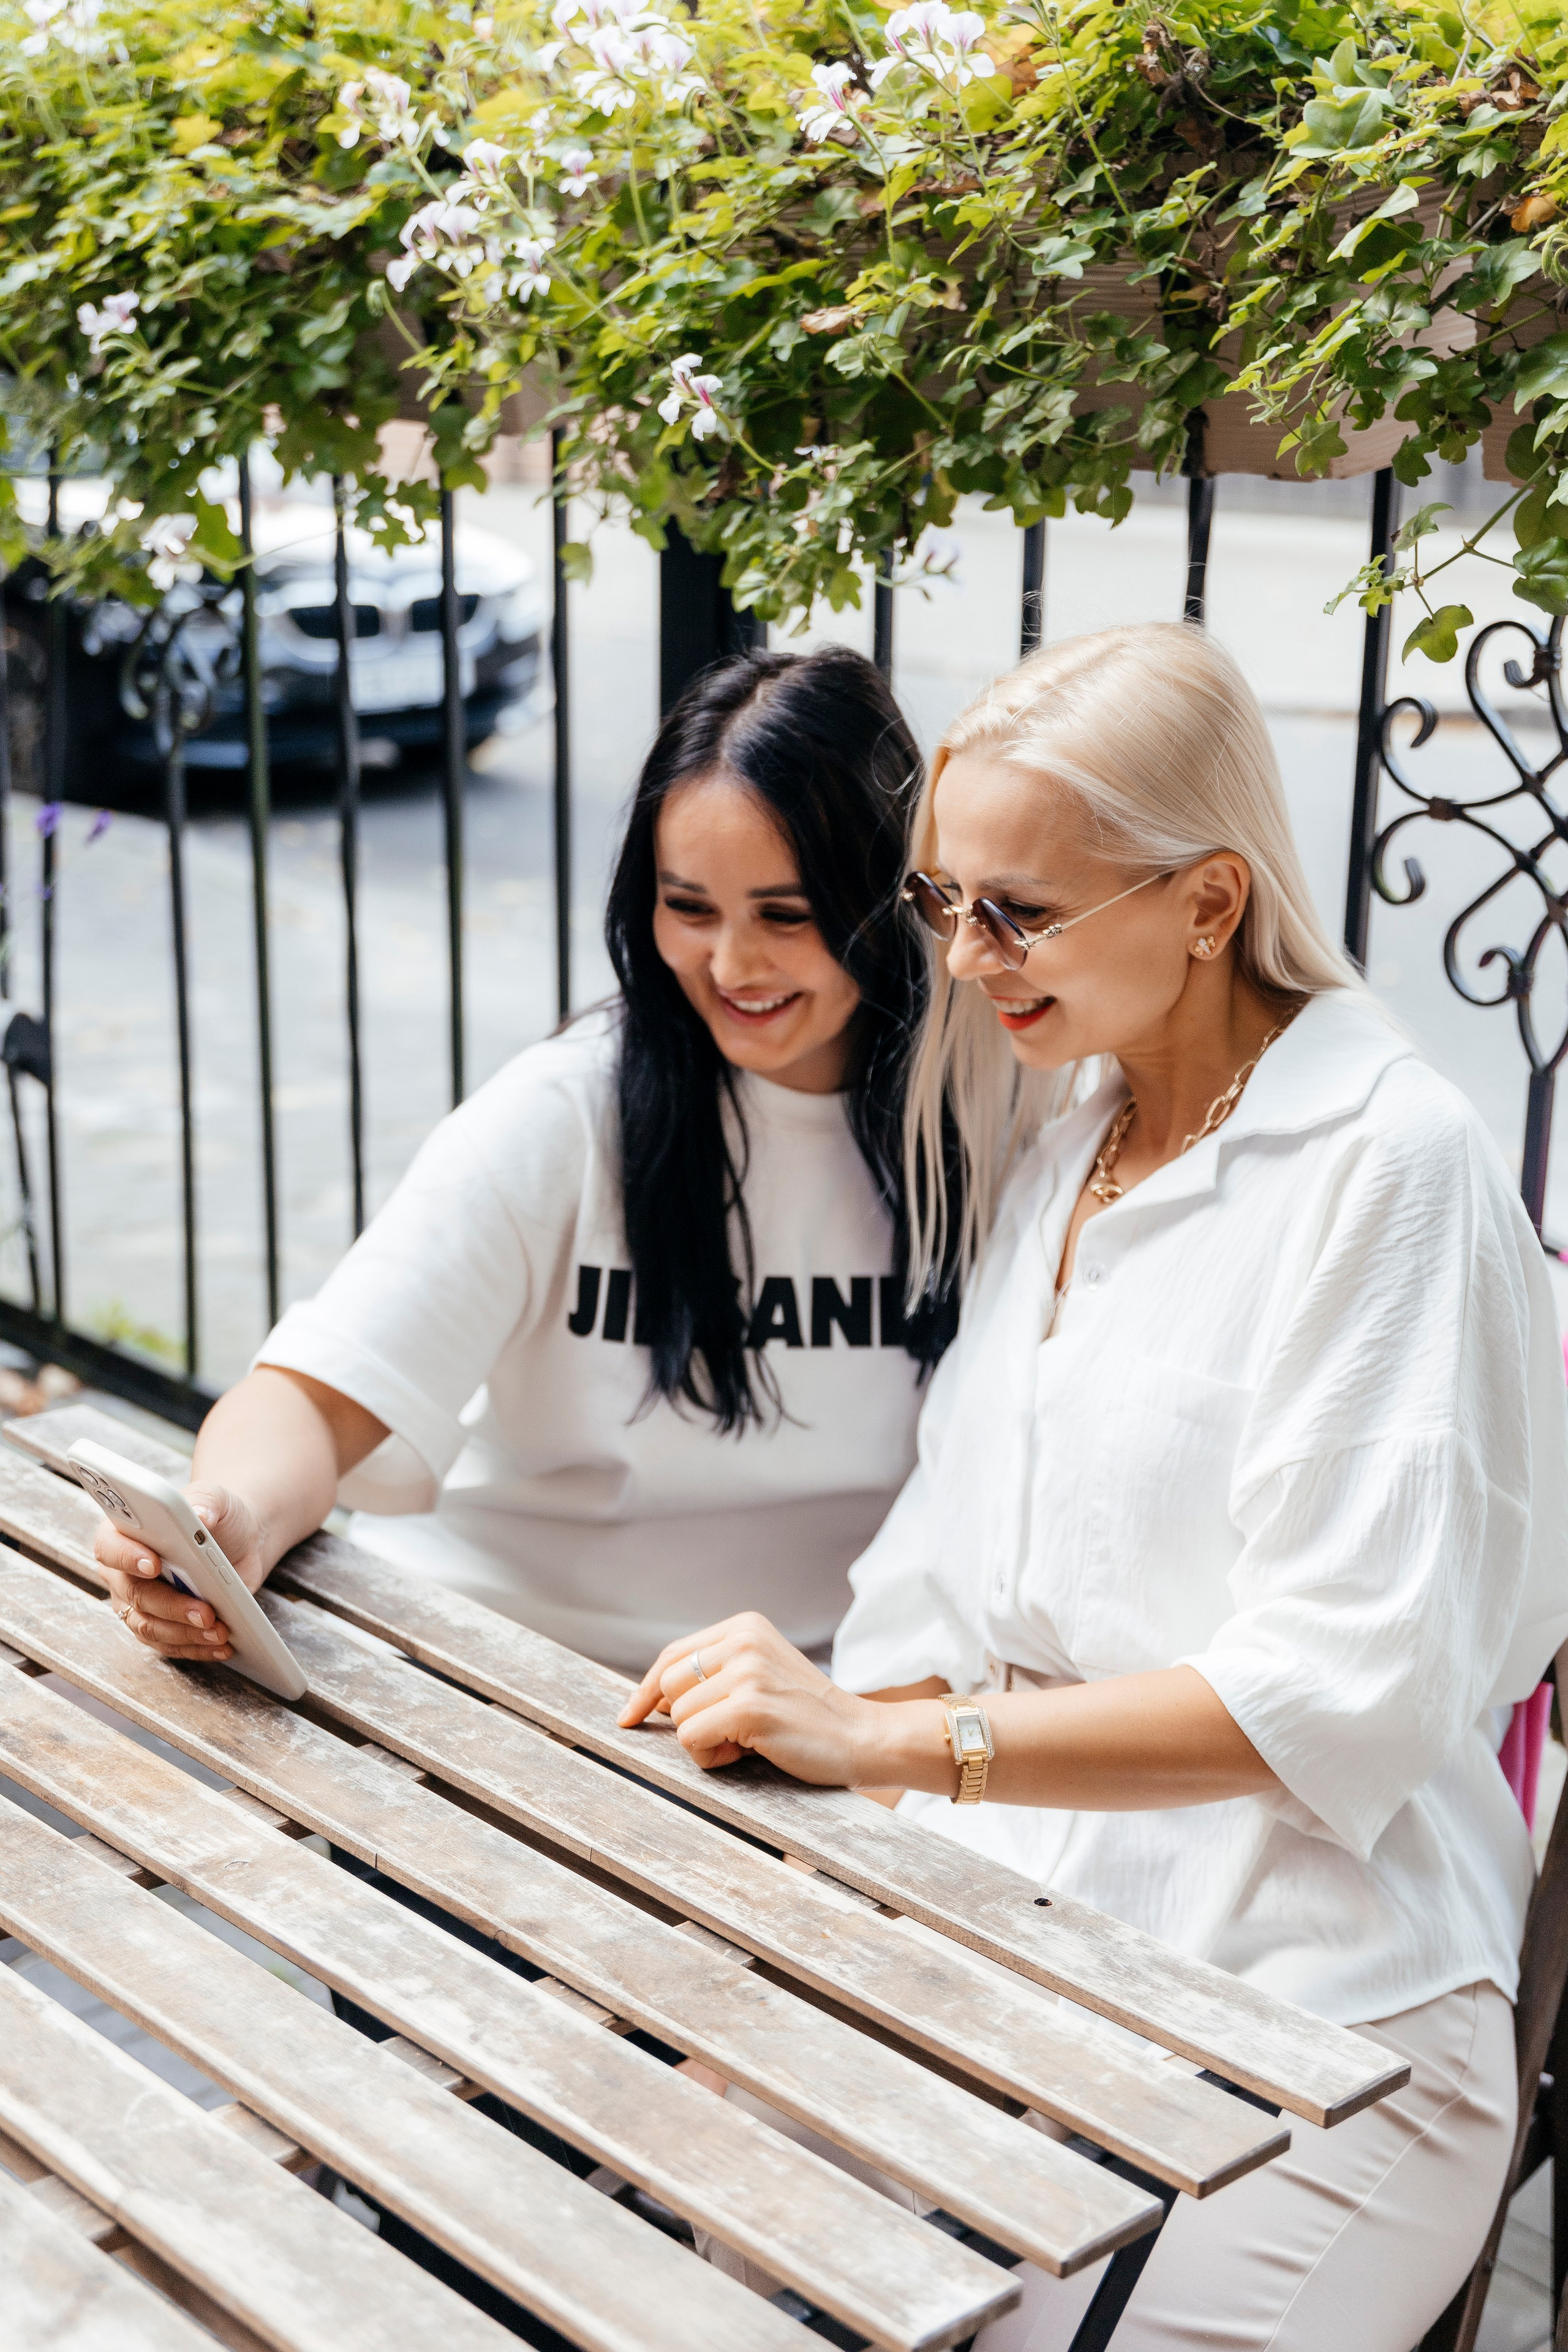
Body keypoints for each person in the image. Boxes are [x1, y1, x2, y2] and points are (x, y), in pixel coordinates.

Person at [623, 622, 1568, 2351]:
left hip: (1327, 2020)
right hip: (1039, 1954)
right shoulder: (1078, 1148)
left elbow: (1333, 1696)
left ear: (1210, 903)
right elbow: (938, 1595)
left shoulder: (1391, 1167)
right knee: (689, 2225)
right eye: (943, 902)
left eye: (1020, 911)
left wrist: (895, 1745)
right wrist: (795, 1922)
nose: (966, 960)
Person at [93, 644, 961, 1675]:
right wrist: (221, 1521)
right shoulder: (566, 1111)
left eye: (786, 915)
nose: (732, 965)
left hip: (804, 1717)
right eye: (689, 908)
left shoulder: (981, 1130)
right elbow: (315, 1400)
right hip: (495, 1671)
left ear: (887, 897)